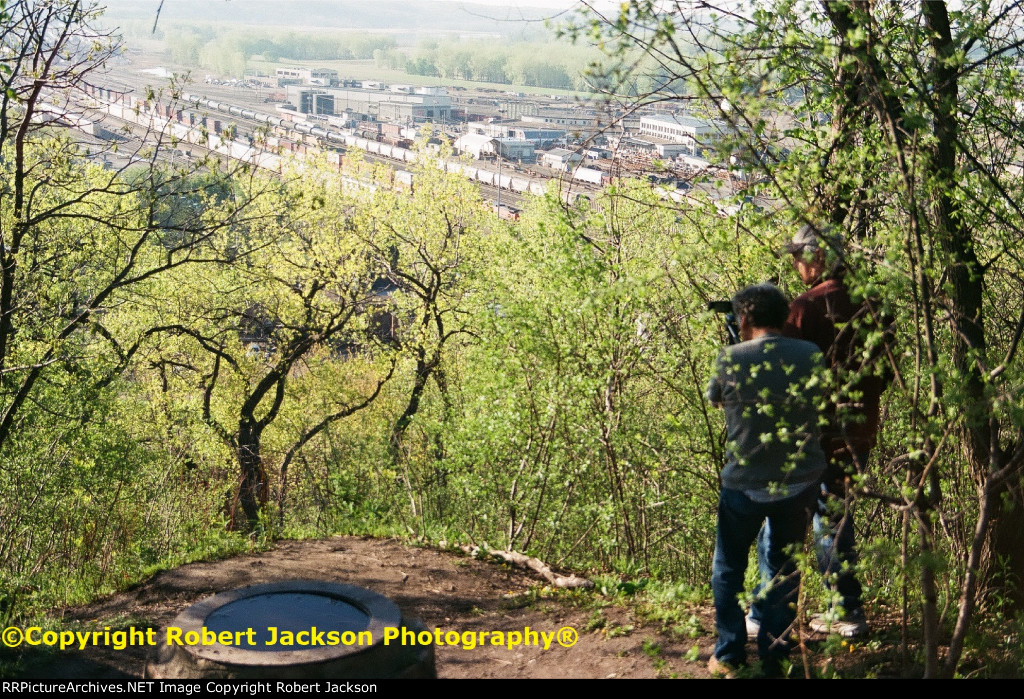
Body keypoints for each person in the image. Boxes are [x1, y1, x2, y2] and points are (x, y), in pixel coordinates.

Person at [706, 283, 827, 677]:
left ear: (743, 319)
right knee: (783, 567)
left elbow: (718, 400)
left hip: (745, 481)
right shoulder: (810, 354)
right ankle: (776, 655)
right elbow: (822, 401)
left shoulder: (730, 357)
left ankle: (729, 654)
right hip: (799, 479)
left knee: (728, 568)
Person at [777, 222, 889, 637]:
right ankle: (842, 605)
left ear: (818, 258)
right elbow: (886, 372)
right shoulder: (872, 302)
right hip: (862, 425)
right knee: (836, 511)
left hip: (818, 430)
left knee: (820, 516)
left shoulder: (805, 308)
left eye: (798, 256)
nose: (794, 264)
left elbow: (785, 374)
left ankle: (843, 609)